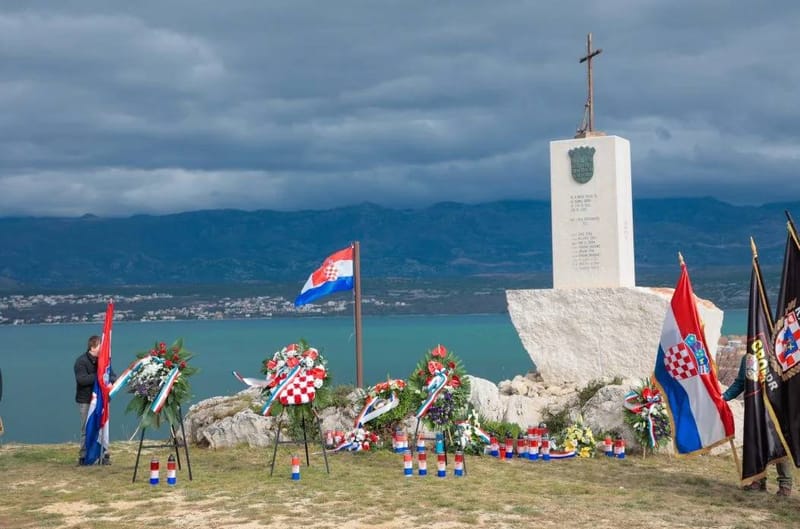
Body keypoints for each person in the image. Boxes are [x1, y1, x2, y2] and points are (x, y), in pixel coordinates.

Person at [723, 354, 793, 496]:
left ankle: (785, 484)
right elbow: (741, 382)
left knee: (780, 444)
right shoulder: (748, 357)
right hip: (755, 408)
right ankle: (757, 480)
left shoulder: (781, 353)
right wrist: (724, 397)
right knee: (755, 444)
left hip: (778, 409)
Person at [74, 335, 115, 465]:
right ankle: (84, 455)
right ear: (93, 347)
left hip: (102, 401)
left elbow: (112, 375)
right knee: (87, 428)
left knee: (103, 426)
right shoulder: (81, 361)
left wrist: (109, 380)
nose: (103, 349)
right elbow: (82, 379)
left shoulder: (103, 361)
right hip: (86, 401)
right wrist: (99, 377)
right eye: (100, 346)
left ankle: (103, 453)